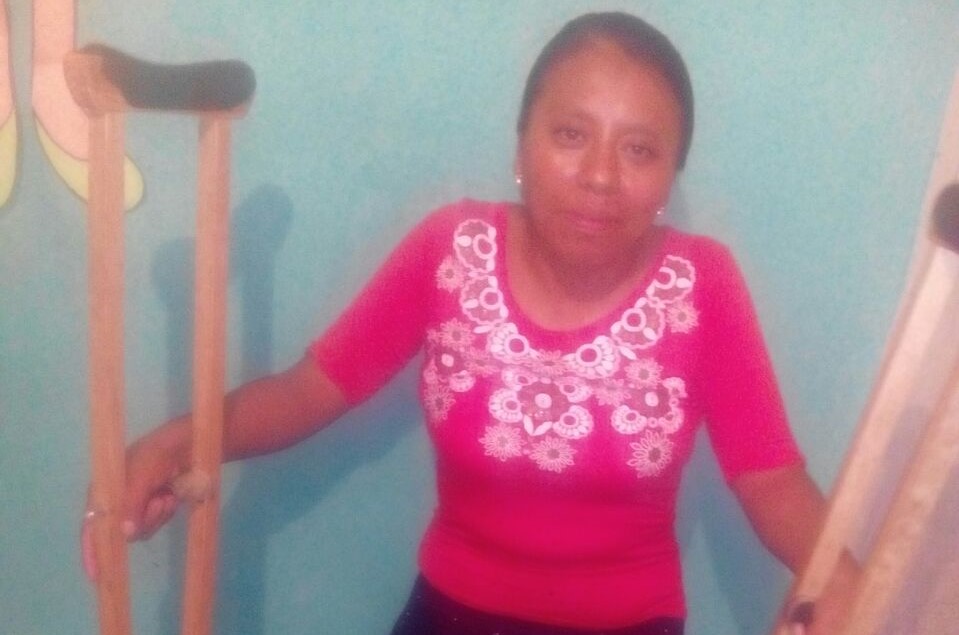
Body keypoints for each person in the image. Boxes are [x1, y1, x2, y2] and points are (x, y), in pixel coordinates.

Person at [81, 12, 858, 635]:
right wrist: (174, 443)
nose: (599, 175)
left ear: (668, 178)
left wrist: (845, 581)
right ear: (521, 146)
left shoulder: (702, 284)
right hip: (450, 615)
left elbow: (770, 478)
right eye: (570, 134)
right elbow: (310, 389)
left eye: (639, 150)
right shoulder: (450, 251)